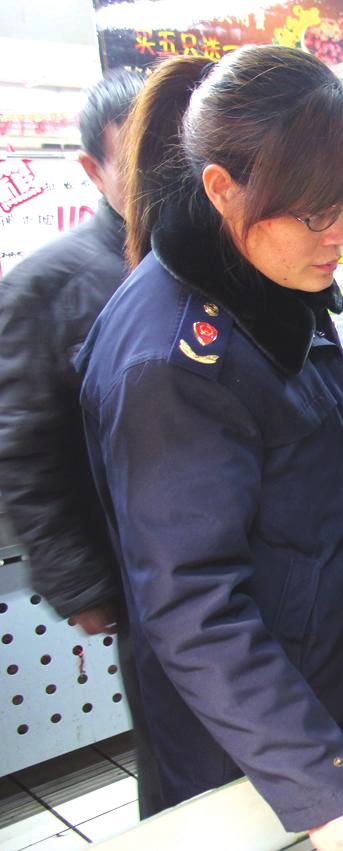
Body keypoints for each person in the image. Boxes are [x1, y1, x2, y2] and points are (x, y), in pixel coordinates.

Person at [76, 47, 343, 851]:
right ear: (222, 189)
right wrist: (320, 779)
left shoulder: (273, 285)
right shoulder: (174, 358)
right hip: (246, 745)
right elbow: (193, 605)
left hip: (314, 697)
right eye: (318, 215)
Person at [0, 70, 164, 812]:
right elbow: (26, 449)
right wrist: (78, 579)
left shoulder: (223, 263)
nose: (170, 179)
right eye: (141, 161)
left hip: (253, 563)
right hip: (144, 578)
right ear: (94, 170)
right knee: (178, 755)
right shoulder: (48, 286)